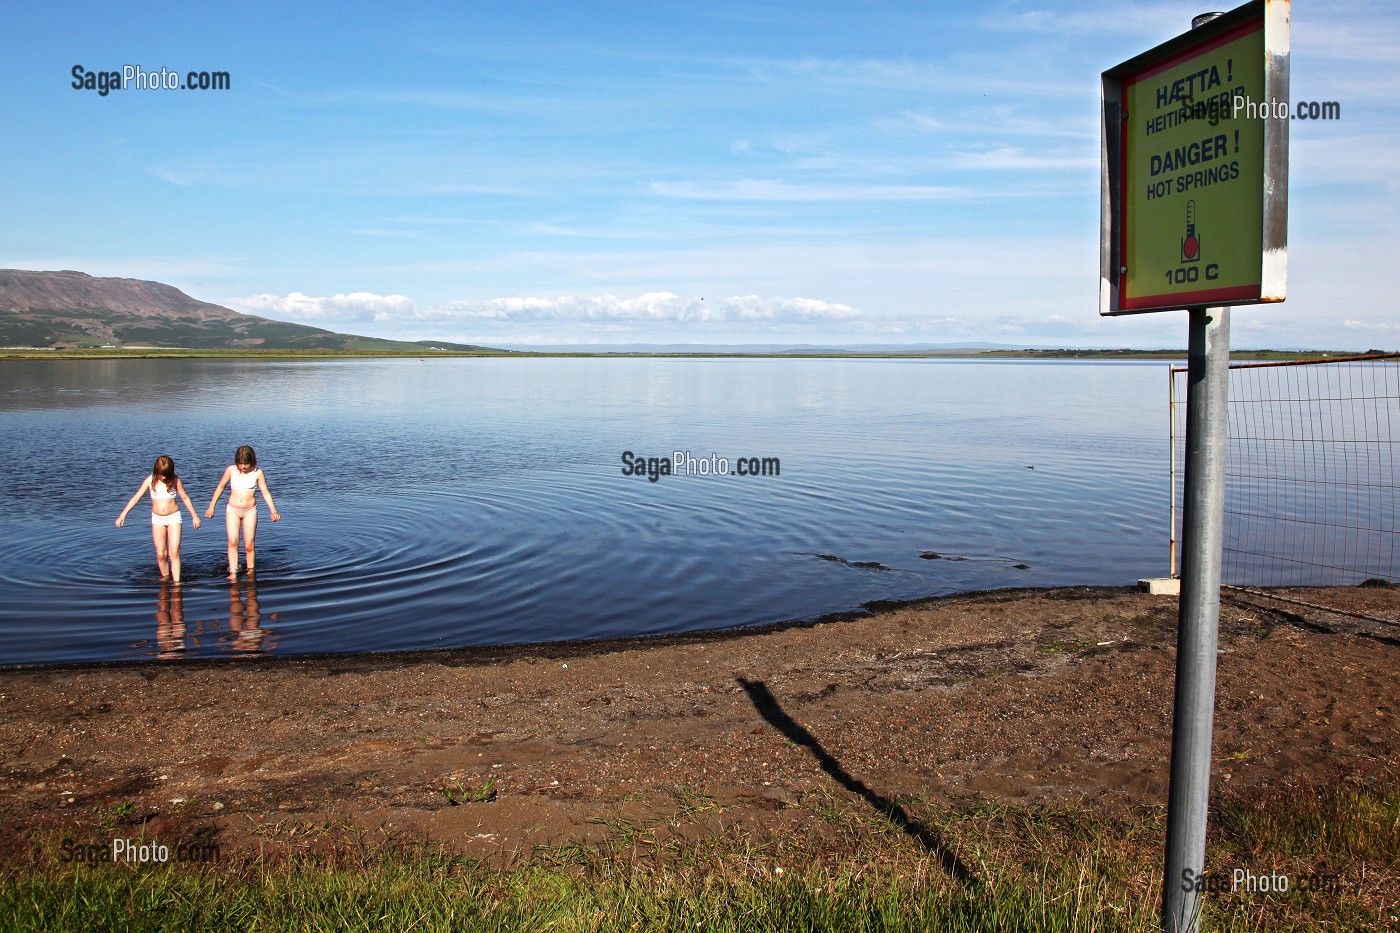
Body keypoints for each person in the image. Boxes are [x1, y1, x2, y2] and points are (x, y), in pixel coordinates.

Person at [115, 455, 203, 583]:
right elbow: (136, 498)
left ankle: (177, 583)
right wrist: (123, 514)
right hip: (157, 520)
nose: (164, 478)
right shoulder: (150, 481)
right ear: (156, 472)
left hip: (174, 518)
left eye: (167, 475)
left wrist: (194, 516)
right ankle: (166, 578)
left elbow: (185, 498)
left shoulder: (175, 480)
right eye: (162, 475)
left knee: (174, 552)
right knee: (161, 554)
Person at [206, 445, 280, 577]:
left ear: (252, 461)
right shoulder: (231, 470)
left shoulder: (257, 473)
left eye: (246, 463)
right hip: (232, 510)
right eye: (241, 464)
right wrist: (212, 506)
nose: (244, 467)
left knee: (249, 544)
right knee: (233, 541)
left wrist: (273, 510)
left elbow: (265, 493)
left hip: (250, 511)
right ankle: (233, 573)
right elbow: (220, 487)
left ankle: (251, 573)